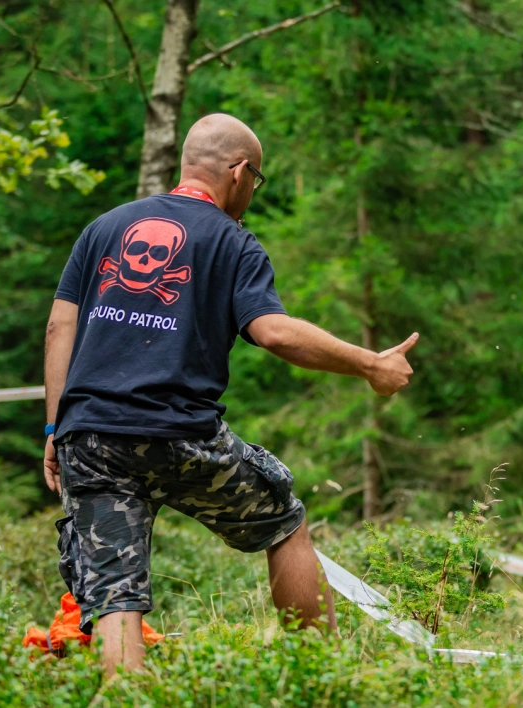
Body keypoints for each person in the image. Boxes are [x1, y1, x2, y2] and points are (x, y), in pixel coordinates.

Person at [42, 113, 419, 677]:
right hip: (180, 436)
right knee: (284, 523)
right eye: (257, 180)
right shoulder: (233, 242)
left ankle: (125, 691)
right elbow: (273, 331)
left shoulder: (105, 227)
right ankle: (318, 675)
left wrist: (55, 428)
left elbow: (58, 329)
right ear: (239, 171)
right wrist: (369, 363)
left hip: (90, 436)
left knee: (115, 592)